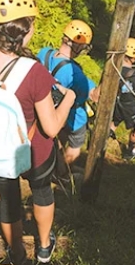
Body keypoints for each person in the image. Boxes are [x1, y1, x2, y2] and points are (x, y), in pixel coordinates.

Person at [0, 0, 75, 265]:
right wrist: (68, 99)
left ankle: (17, 252)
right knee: (42, 192)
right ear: (28, 29)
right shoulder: (33, 71)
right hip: (34, 151)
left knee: (8, 201)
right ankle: (44, 248)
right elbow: (50, 127)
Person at [37, 20, 101, 168]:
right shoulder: (75, 74)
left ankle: (55, 165)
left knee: (57, 140)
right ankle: (63, 173)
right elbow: (94, 96)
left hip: (48, 109)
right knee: (74, 149)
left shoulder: (44, 53)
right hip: (73, 118)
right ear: (77, 45)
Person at [111, 37, 135, 160]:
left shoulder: (113, 68)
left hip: (115, 102)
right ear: (134, 57)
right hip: (130, 106)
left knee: (113, 123)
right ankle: (130, 151)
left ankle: (102, 143)